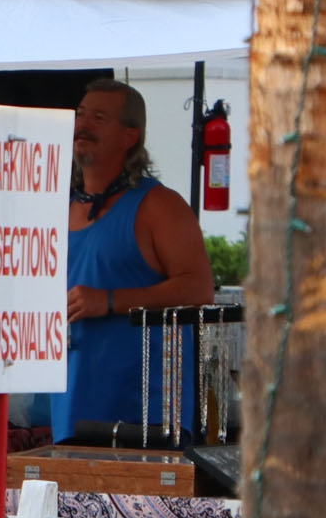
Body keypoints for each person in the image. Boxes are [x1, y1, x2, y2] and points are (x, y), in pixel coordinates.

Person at [50, 80, 216, 444]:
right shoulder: (57, 206)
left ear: (130, 136)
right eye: (80, 115)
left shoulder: (160, 206)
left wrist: (109, 300)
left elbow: (199, 288)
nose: (83, 125)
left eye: (99, 117)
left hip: (144, 419)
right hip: (68, 409)